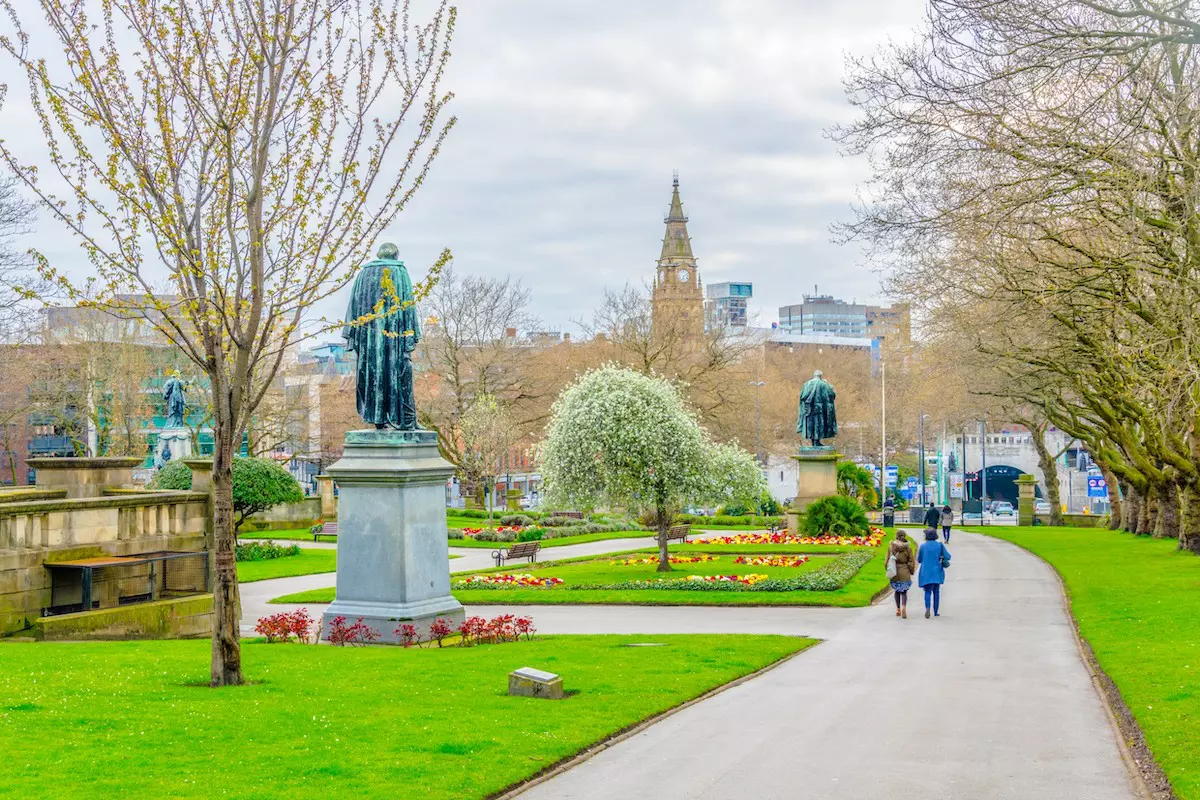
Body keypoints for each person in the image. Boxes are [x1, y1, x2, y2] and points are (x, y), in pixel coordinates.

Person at [917, 528, 951, 618]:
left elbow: (919, 560)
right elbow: (948, 556)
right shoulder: (939, 545)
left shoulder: (923, 546)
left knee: (927, 591)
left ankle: (927, 607)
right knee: (936, 592)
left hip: (926, 572)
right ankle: (936, 611)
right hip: (937, 572)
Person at [887, 530, 917, 618]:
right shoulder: (908, 548)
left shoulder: (891, 547)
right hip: (905, 571)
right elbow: (911, 561)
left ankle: (898, 609)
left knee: (897, 591)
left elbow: (886, 561)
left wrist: (887, 570)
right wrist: (911, 571)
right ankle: (904, 606)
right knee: (904, 592)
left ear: (896, 536)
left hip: (895, 571)